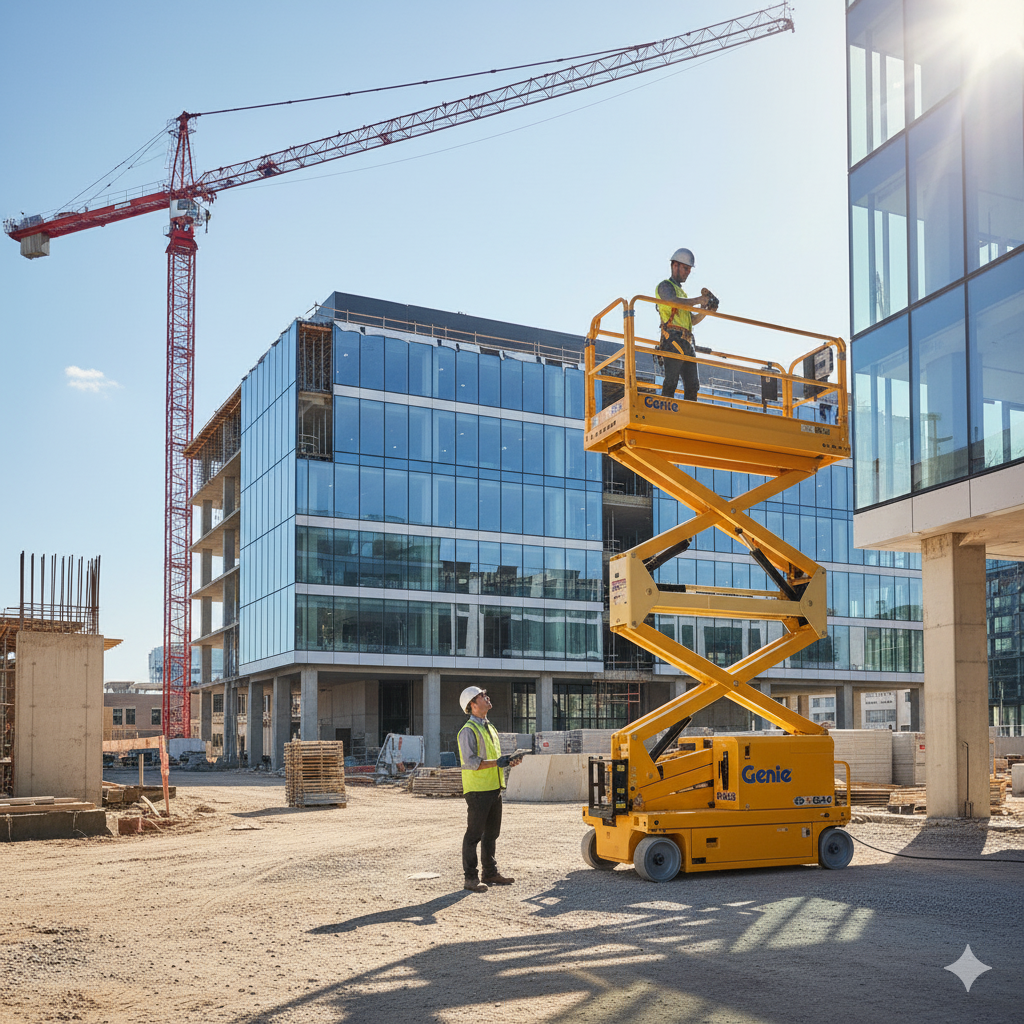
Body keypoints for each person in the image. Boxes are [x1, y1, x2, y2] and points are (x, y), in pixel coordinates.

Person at [457, 685, 522, 892]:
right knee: (474, 835)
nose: (487, 697)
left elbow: (494, 759)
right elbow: (470, 762)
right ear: (472, 704)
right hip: (478, 791)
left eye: (485, 694)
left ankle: (490, 873)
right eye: (482, 696)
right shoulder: (468, 731)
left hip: (494, 788)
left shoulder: (490, 728)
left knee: (492, 834)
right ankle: (470, 878)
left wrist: (507, 761)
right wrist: (497, 762)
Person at [656, 247, 717, 400]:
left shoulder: (683, 294)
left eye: (689, 269)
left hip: (687, 342)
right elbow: (673, 301)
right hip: (673, 339)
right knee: (671, 381)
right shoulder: (664, 286)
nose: (688, 272)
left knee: (693, 385)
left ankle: (689, 412)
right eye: (685, 268)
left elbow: (692, 320)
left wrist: (705, 310)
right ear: (674, 265)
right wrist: (698, 300)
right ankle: (665, 410)